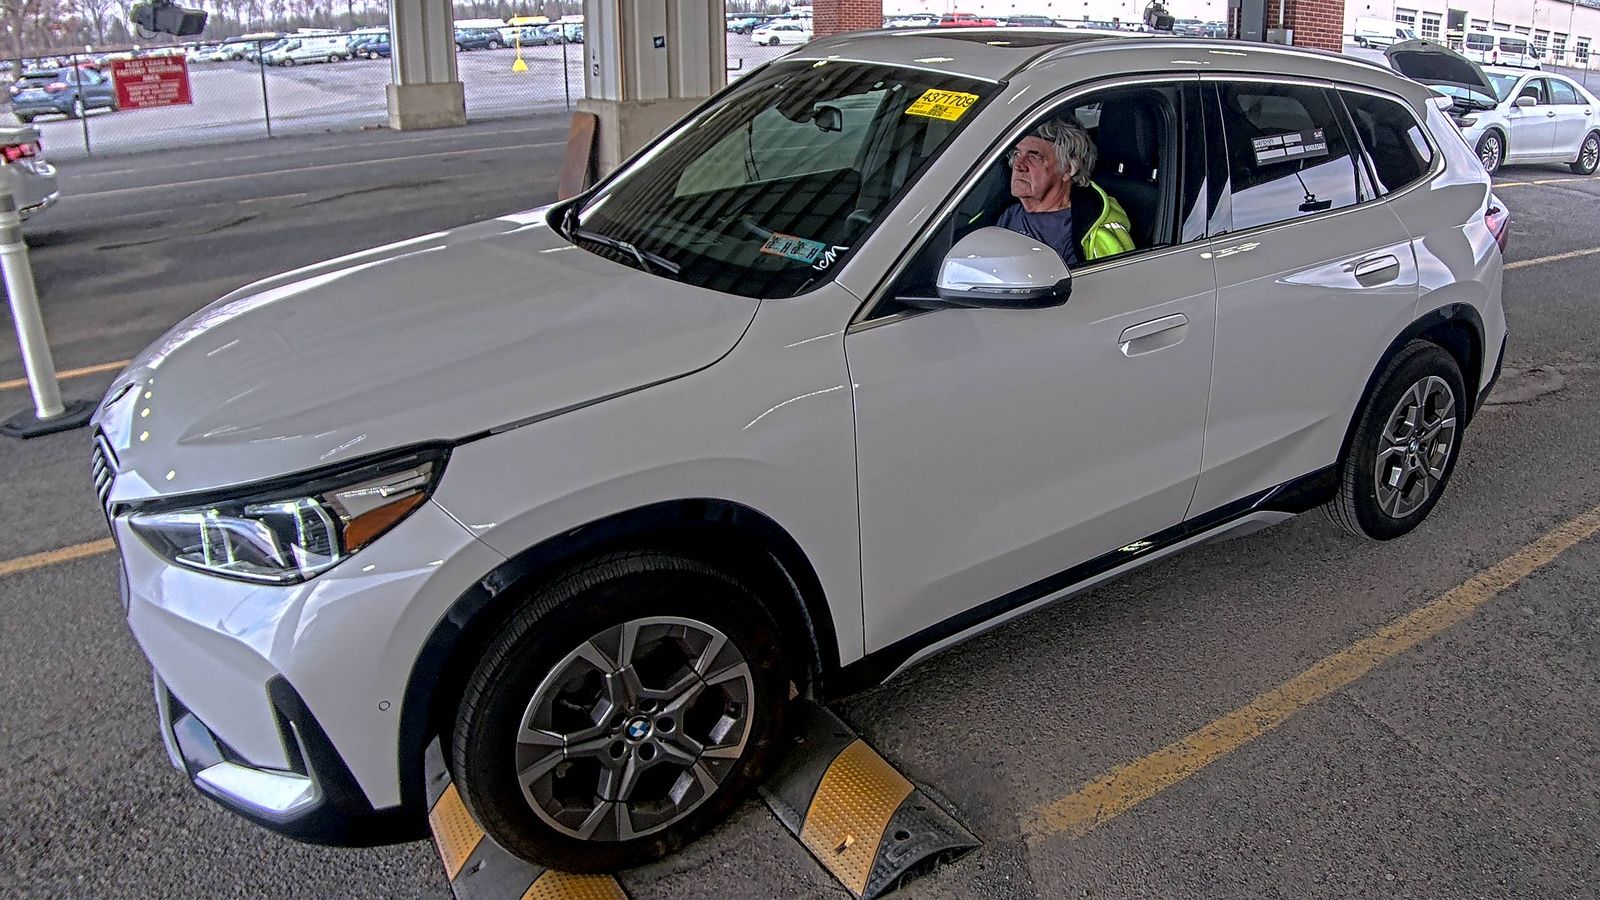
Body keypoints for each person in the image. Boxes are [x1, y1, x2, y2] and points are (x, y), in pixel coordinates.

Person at [997, 118, 1135, 267]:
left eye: (1034, 157)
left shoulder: (1088, 233)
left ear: (1068, 169)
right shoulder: (1008, 213)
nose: (1018, 165)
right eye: (1017, 154)